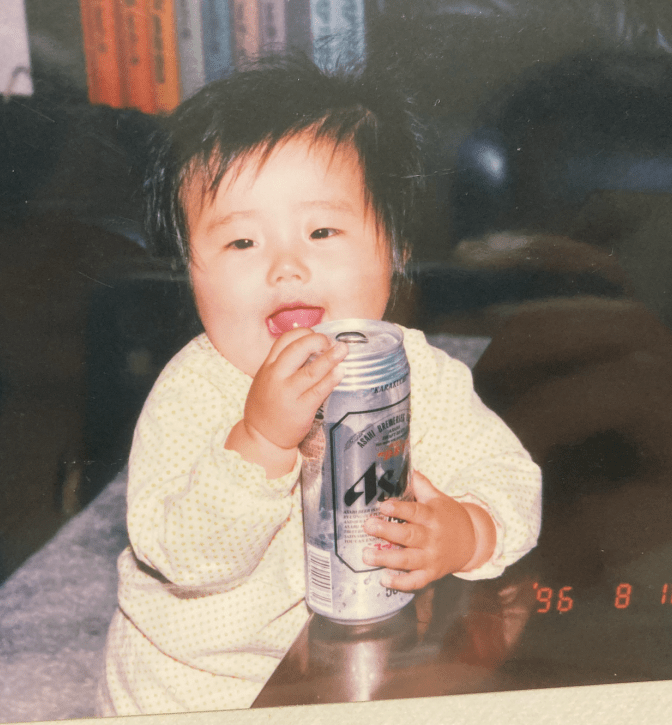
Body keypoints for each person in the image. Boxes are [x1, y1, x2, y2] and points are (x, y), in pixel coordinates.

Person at [99, 58, 541, 715]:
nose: (286, 266)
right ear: (188, 272)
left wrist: (467, 531)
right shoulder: (194, 390)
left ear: (395, 249)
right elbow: (182, 556)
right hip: (197, 688)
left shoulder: (416, 375)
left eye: (322, 231)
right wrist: (260, 441)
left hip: (358, 664)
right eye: (242, 242)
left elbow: (509, 475)